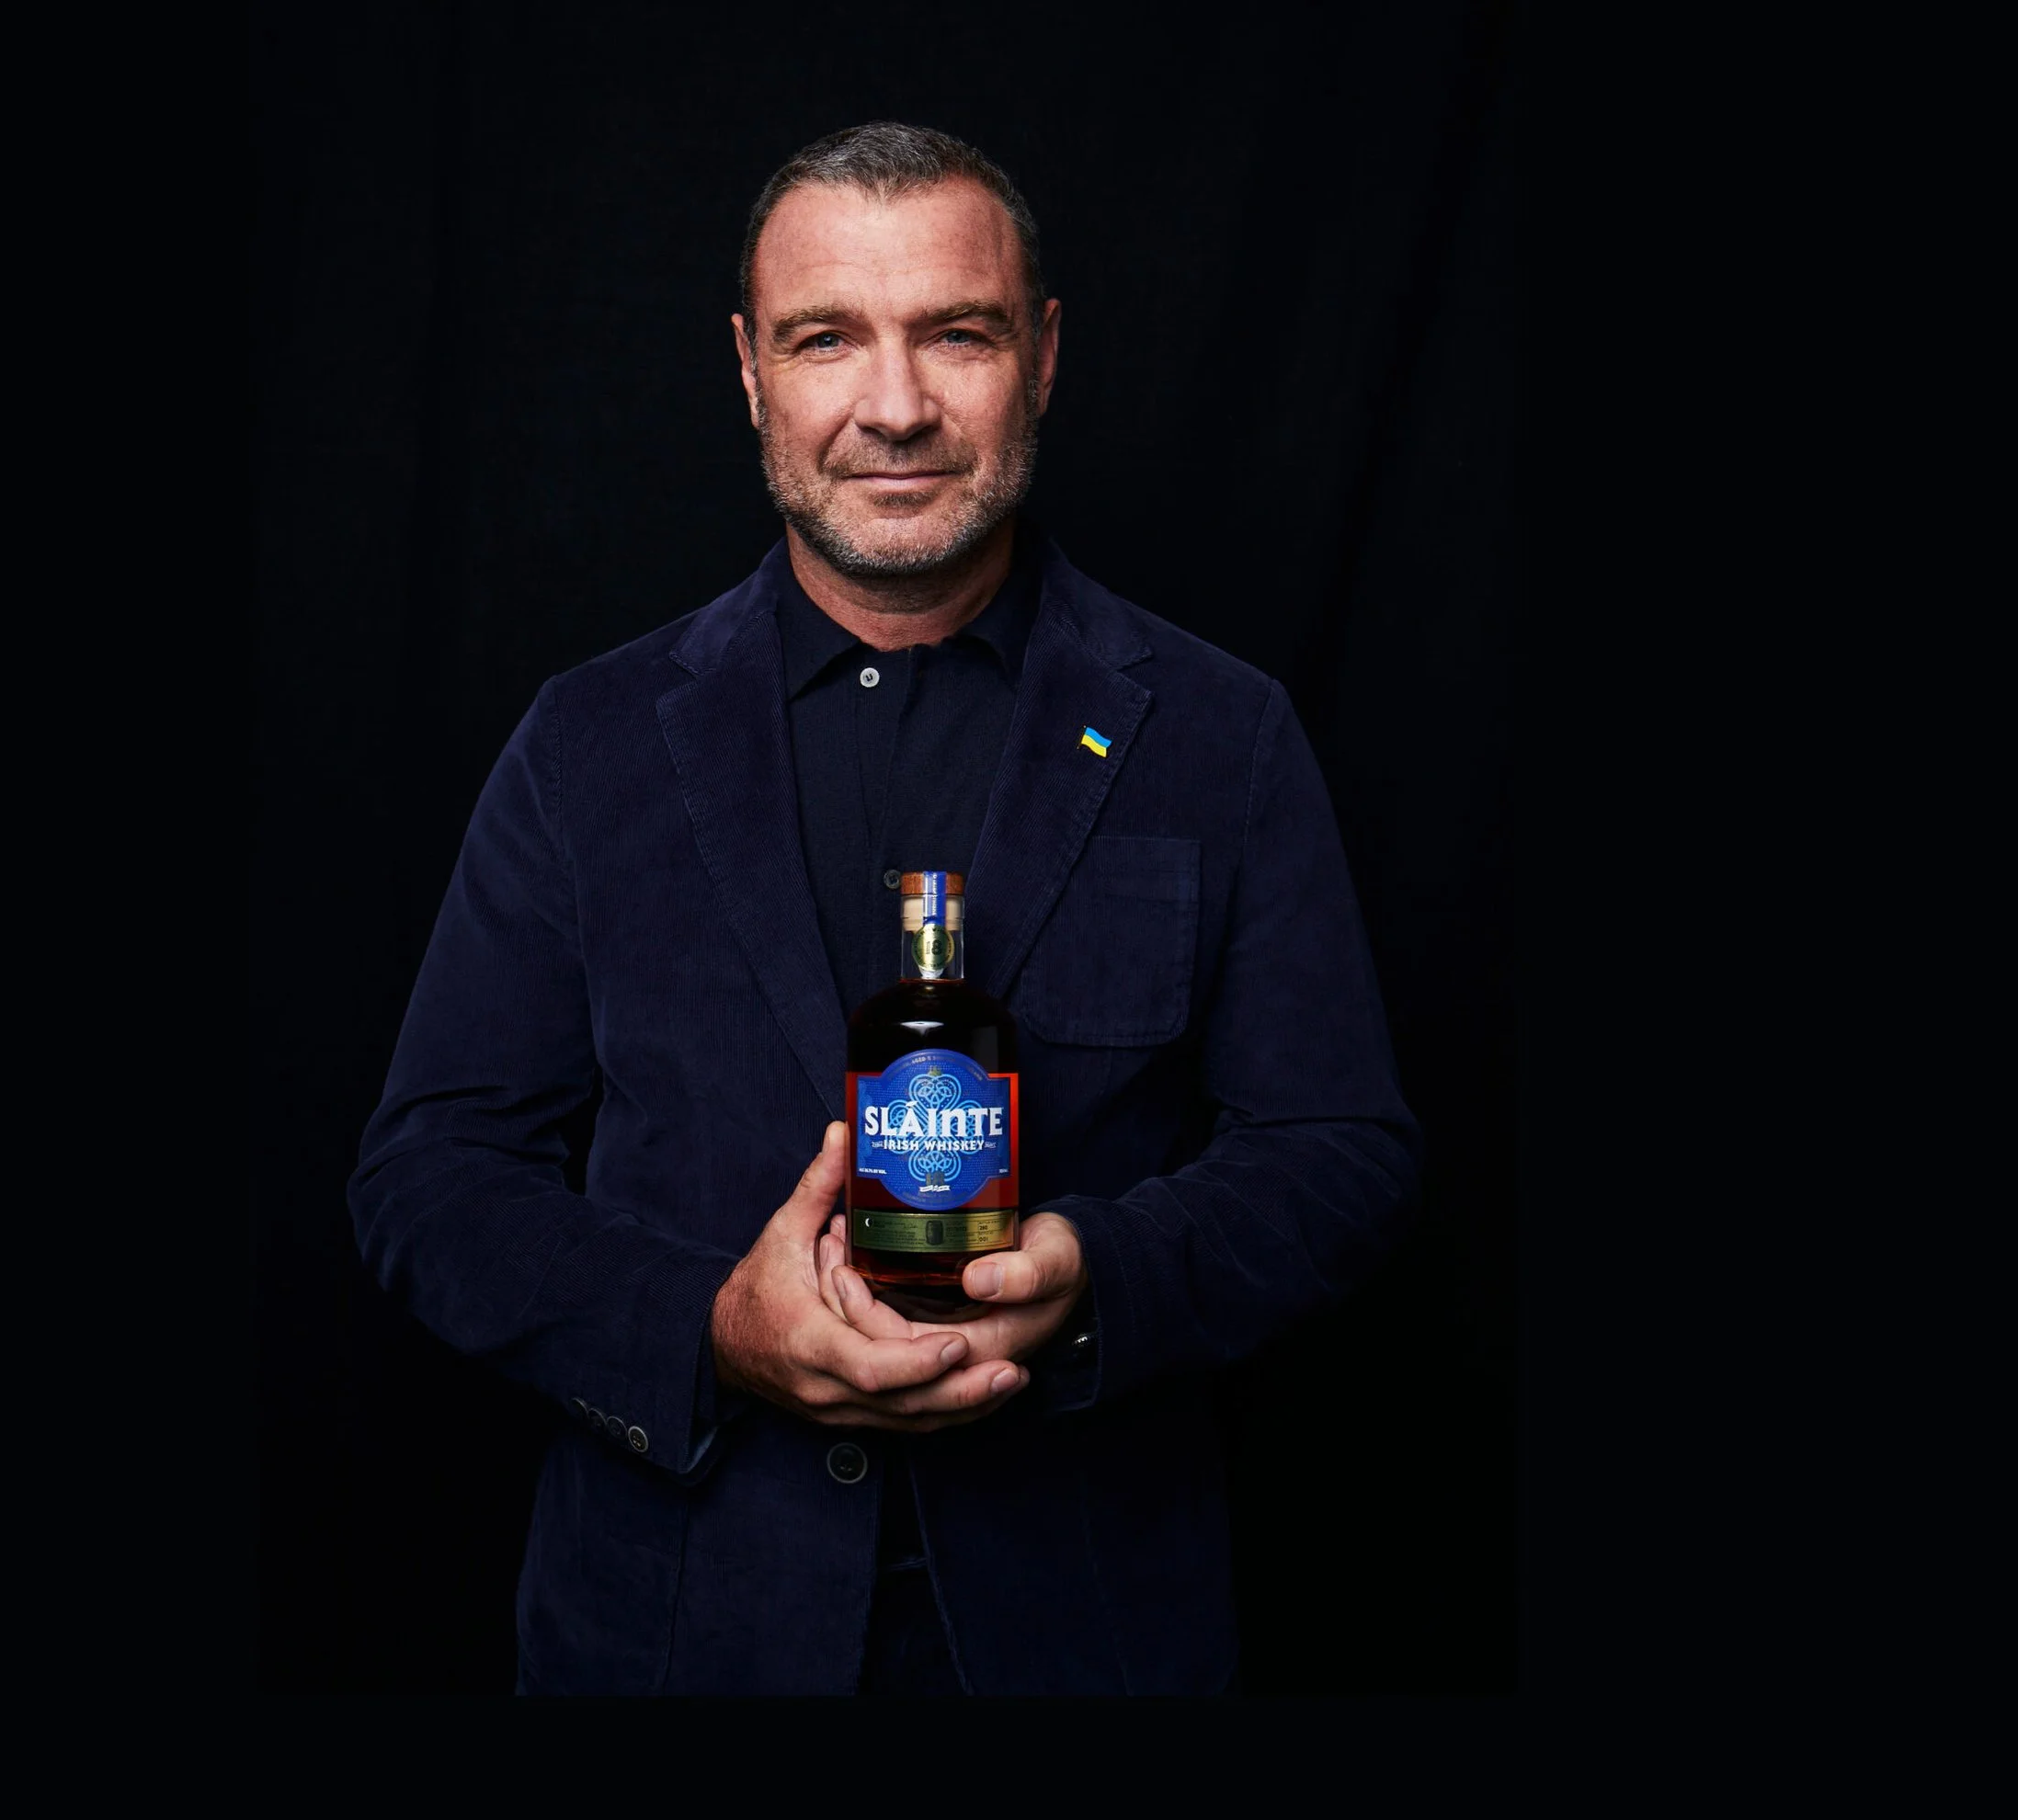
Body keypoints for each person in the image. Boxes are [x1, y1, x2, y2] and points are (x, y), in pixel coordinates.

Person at [348, 122, 1419, 1695]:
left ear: (1043, 354)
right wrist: (711, 1328)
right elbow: (428, 1176)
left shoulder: (1219, 731)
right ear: (750, 369)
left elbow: (1341, 1154)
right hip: (672, 1643)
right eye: (827, 338)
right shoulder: (588, 744)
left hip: (1090, 1639)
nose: (897, 404)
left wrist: (1099, 1278)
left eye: (957, 333)